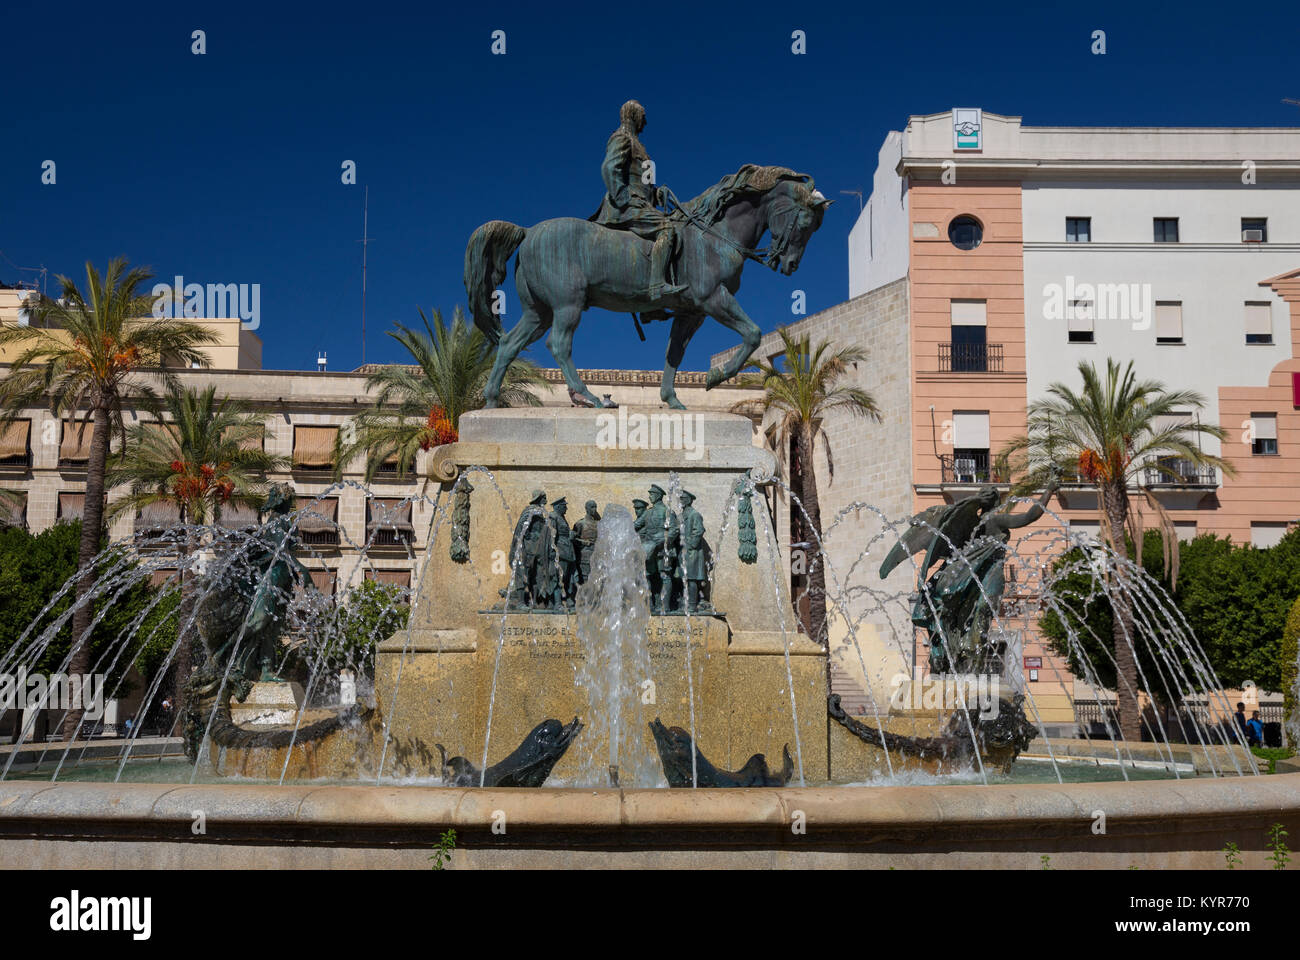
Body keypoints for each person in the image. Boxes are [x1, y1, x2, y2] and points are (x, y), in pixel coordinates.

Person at [589, 100, 687, 305]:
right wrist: (625, 198)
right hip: (626, 206)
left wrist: (657, 192)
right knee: (667, 229)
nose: (646, 122)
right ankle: (657, 285)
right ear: (634, 116)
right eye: (644, 116)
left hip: (643, 205)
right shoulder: (621, 138)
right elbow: (609, 168)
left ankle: (653, 305)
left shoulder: (641, 148)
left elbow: (646, 184)